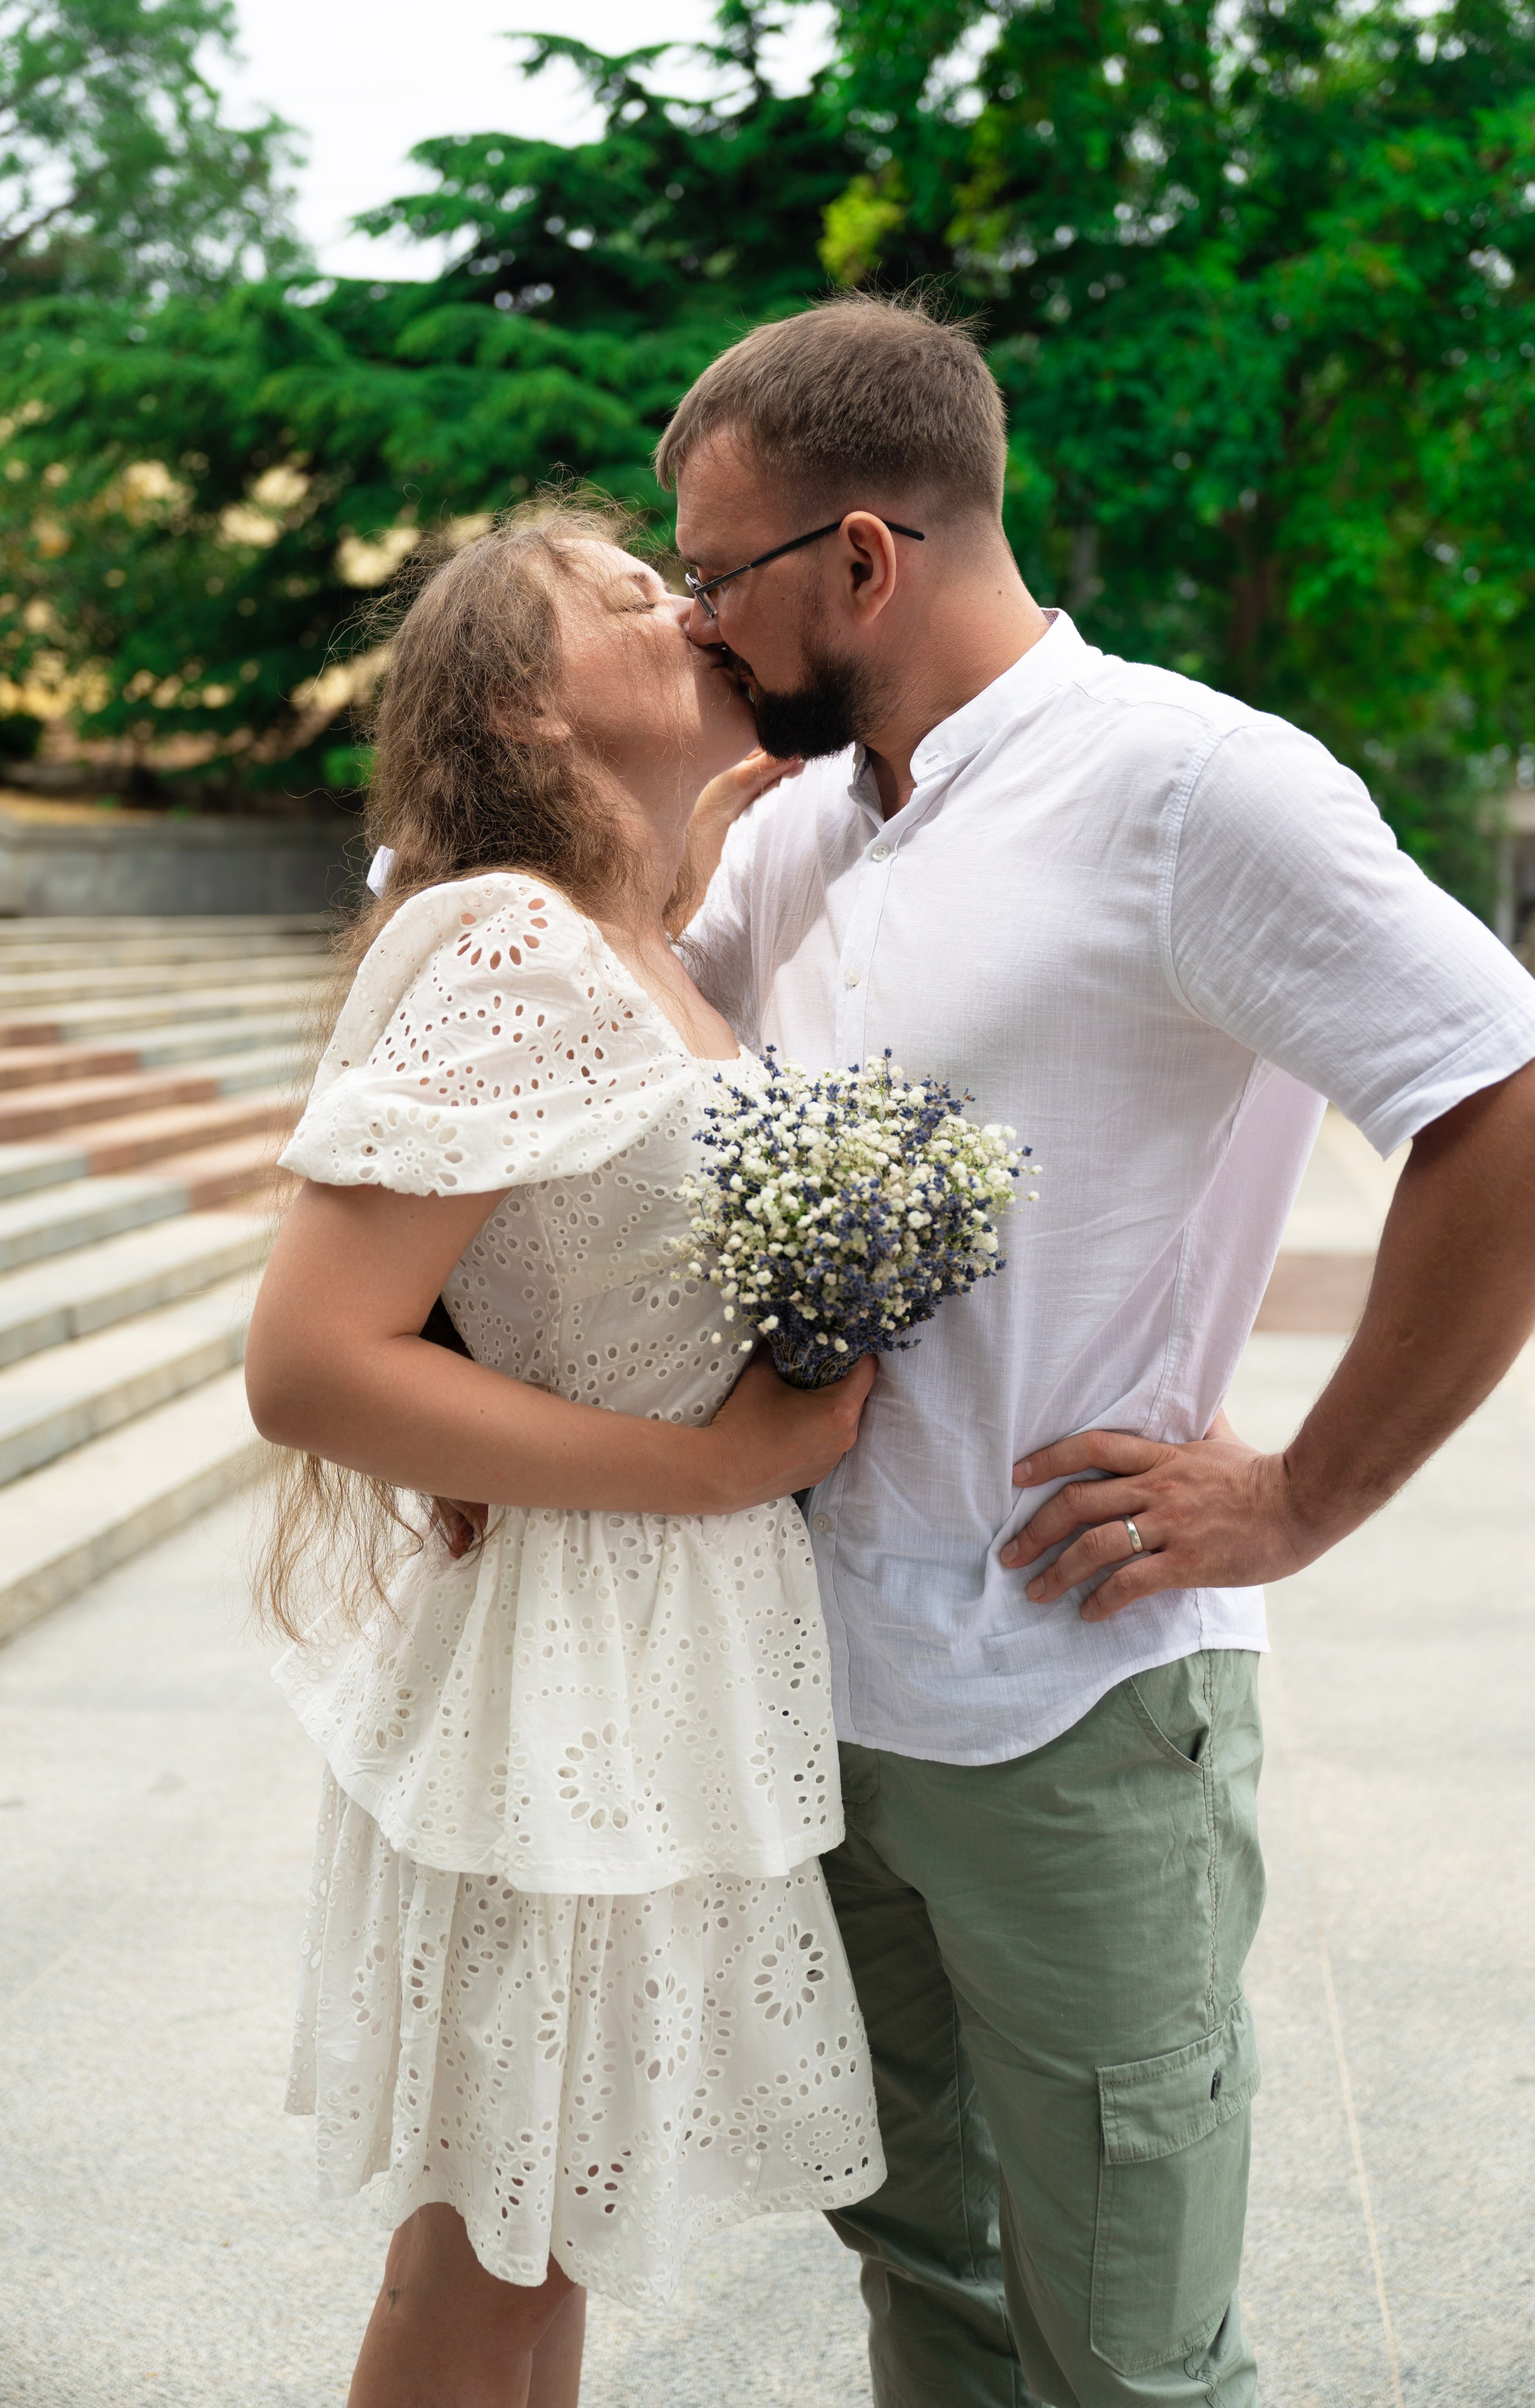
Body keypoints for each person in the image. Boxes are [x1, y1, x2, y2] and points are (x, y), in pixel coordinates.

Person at [648, 292, 1535, 2408]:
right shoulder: (802, 827)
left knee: (1134, 2359)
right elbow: (617, 1074)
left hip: (1070, 1710)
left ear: (866, 559)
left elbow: (1528, 1115)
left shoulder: (1189, 786)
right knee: (927, 2277)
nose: (699, 628)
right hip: (819, 1690)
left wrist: (1302, 1493)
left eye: (716, 581)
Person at [243, 500, 885, 2408]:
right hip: (576, 1665)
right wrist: (703, 1468)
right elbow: (306, 1363)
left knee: (560, 2234)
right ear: (521, 716)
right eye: (624, 600)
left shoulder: (640, 949)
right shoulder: (517, 941)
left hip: (661, 1655)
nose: (683, 602)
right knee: (491, 2257)